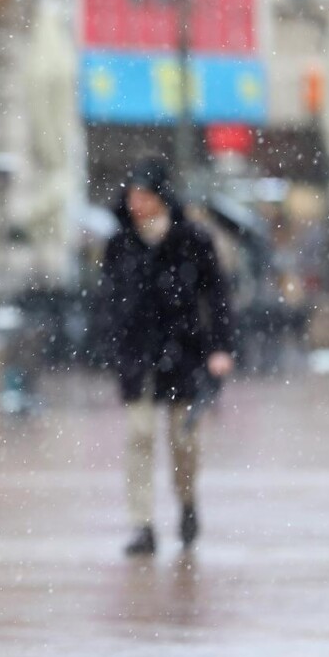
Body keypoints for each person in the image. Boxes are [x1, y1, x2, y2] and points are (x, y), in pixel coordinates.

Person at [99, 158, 235, 557]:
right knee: (138, 436)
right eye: (132, 194)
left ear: (161, 196)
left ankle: (188, 502)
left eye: (144, 194)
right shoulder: (120, 243)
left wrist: (221, 348)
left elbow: (219, 297)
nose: (136, 202)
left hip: (185, 353)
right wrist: (111, 344)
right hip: (137, 355)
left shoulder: (193, 239)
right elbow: (107, 299)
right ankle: (142, 524)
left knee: (184, 440)